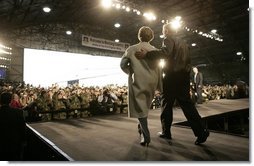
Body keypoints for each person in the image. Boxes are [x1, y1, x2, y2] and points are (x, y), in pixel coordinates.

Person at [135, 23, 209, 145]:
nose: (163, 32)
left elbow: (165, 53)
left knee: (166, 104)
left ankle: (166, 132)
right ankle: (201, 131)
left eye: (163, 30)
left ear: (167, 30)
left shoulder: (168, 39)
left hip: (172, 77)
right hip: (184, 76)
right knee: (187, 105)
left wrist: (147, 54)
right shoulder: (184, 43)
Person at [120, 26, 162, 146]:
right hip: (152, 82)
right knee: (144, 107)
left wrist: (130, 72)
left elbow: (123, 64)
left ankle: (146, 135)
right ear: (151, 37)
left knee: (140, 108)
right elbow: (160, 69)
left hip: (138, 81)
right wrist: (159, 85)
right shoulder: (155, 50)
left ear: (139, 36)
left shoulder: (132, 49)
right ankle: (141, 128)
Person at [0, 92, 26, 160]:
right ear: (11, 101)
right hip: (14, 143)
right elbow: (22, 128)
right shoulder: (17, 112)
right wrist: (23, 140)